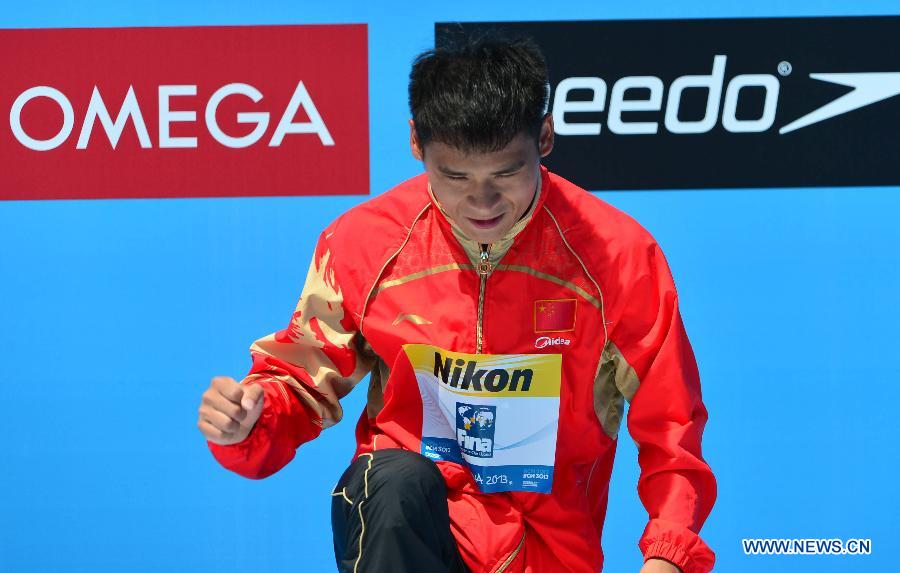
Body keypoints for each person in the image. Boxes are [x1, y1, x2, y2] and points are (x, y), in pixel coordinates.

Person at [197, 35, 716, 573]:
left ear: (543, 138)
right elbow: (301, 382)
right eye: (456, 177)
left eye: (506, 174)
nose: (483, 202)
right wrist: (248, 423)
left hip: (550, 550)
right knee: (392, 481)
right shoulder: (362, 245)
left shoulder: (617, 256)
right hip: (412, 537)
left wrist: (668, 555)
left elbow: (672, 424)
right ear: (417, 144)